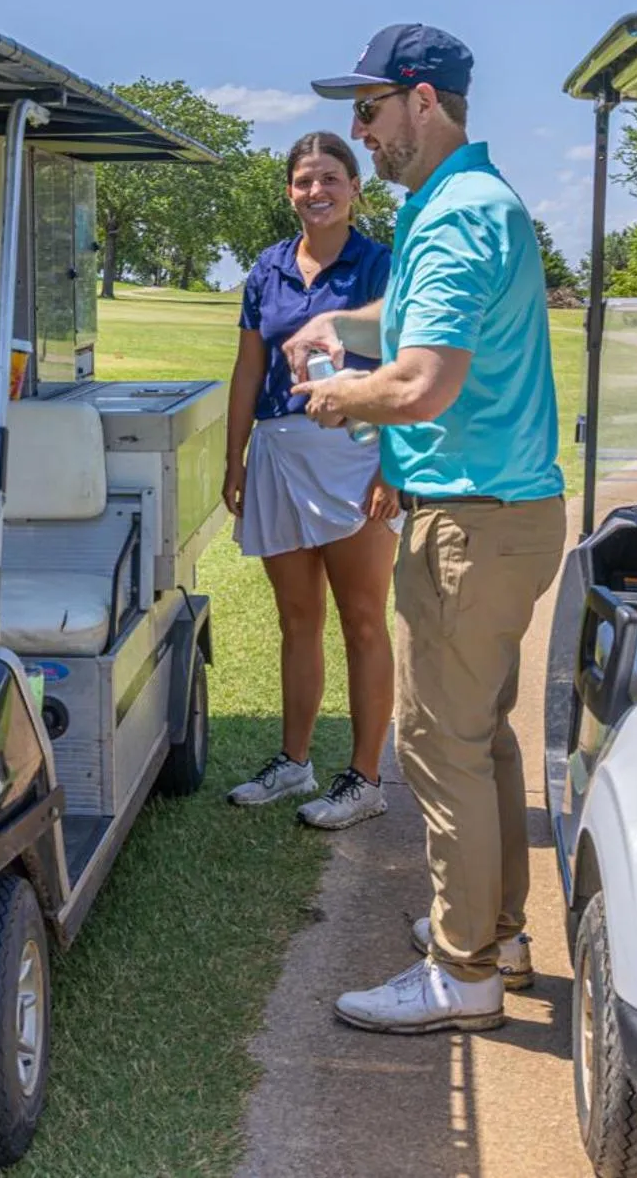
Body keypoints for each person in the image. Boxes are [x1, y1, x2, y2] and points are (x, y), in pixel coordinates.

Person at [287, 24, 567, 1034]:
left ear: (421, 100)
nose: (360, 132)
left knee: (440, 746)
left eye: (368, 111)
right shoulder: (462, 201)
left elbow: (420, 382)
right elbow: (420, 326)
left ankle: (462, 971)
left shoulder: (452, 216)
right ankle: (495, 932)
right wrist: (342, 324)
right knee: (478, 737)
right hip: (503, 515)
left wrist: (339, 395)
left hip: (468, 523)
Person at [223, 132, 400, 830]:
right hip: (277, 451)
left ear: (356, 187)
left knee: (363, 619)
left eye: (330, 177)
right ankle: (294, 762)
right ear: (289, 191)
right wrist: (234, 457)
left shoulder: (382, 265)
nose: (316, 191)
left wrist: (392, 465)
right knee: (296, 619)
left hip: (356, 453)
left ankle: (365, 779)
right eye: (303, 180)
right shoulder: (266, 268)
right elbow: (248, 369)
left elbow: (408, 369)